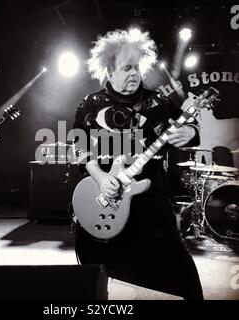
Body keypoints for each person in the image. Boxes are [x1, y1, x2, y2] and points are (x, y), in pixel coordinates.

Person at [73, 29, 204, 300]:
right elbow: (79, 147)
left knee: (178, 268)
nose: (135, 74)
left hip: (151, 197)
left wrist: (190, 132)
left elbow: (190, 123)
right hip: (103, 196)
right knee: (96, 270)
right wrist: (100, 177)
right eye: (127, 68)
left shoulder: (159, 102)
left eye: (137, 68)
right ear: (109, 72)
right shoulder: (89, 105)